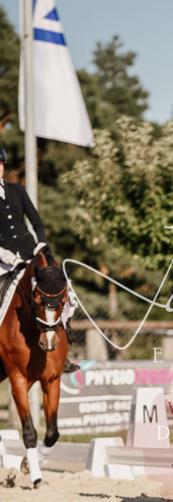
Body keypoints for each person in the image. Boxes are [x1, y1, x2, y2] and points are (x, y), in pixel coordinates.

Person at [0, 148, 78, 372]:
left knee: (63, 292)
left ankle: (64, 348)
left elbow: (36, 222)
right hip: (3, 260)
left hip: (29, 254)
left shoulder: (17, 190)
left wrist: (41, 243)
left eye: (1, 164)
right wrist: (2, 253)